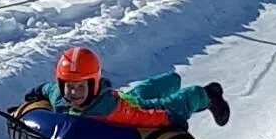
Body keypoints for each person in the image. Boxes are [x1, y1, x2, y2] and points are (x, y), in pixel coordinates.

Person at [25, 46, 230, 128]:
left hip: (126, 105)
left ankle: (205, 94)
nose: (73, 93)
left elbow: (142, 116)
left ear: (93, 85)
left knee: (163, 103)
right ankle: (171, 80)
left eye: (80, 88)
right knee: (139, 91)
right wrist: (36, 92)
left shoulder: (106, 108)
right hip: (121, 96)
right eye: (69, 87)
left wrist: (168, 118)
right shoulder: (60, 96)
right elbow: (48, 88)